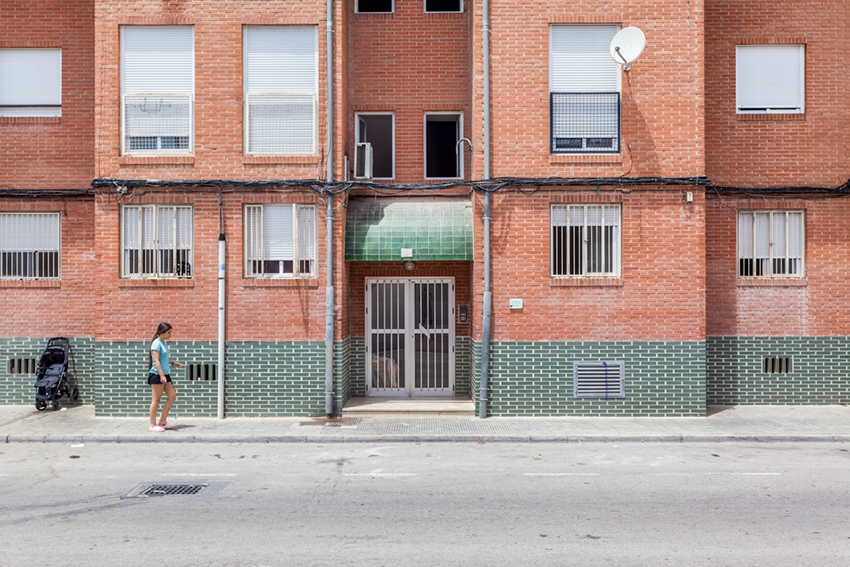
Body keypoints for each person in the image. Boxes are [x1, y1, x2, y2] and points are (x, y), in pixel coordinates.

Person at [147, 322, 182, 432]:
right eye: (168, 332)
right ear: (161, 332)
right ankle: (152, 425)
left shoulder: (163, 342)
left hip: (165, 374)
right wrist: (161, 376)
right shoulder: (156, 343)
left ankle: (162, 422)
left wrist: (172, 363)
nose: (170, 334)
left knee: (172, 396)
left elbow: (163, 358)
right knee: (156, 400)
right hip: (157, 374)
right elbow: (156, 360)